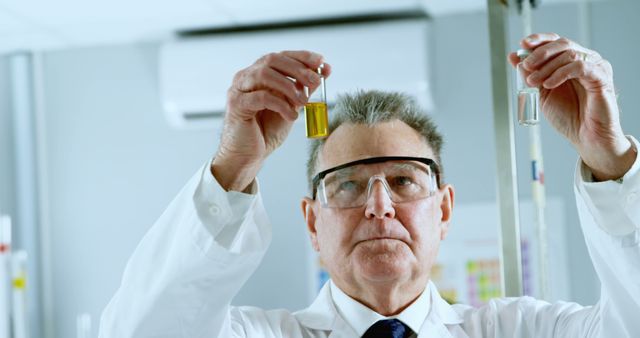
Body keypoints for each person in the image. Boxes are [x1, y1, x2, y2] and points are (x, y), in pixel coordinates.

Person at [99, 32, 639, 337]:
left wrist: (610, 158)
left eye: (404, 180)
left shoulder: (522, 332)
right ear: (312, 221)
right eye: (348, 186)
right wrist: (232, 168)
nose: (380, 207)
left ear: (444, 211)